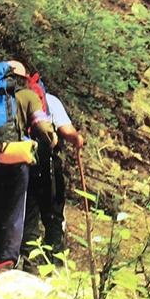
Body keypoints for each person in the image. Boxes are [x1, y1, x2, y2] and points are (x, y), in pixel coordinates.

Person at [0, 60, 57, 276]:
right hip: (14, 159)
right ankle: (6, 262)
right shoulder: (29, 96)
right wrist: (50, 140)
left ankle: (1, 257)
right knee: (14, 210)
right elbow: (41, 126)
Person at [21, 92, 85, 274]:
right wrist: (78, 139)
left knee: (28, 215)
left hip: (17, 161)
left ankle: (28, 267)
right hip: (46, 161)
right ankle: (55, 266)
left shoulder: (8, 97)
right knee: (54, 215)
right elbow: (66, 131)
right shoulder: (47, 99)